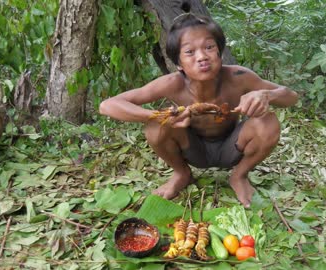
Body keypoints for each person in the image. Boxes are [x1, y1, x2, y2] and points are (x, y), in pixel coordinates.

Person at [99, 13, 298, 207]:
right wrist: (160, 115)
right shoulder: (171, 84)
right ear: (178, 64)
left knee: (268, 120)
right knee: (156, 124)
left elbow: (291, 96)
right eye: (189, 52)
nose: (202, 57)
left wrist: (266, 95)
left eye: (209, 47)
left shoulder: (239, 77)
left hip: (232, 147)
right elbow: (107, 105)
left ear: (219, 52)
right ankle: (182, 173)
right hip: (194, 150)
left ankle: (239, 176)